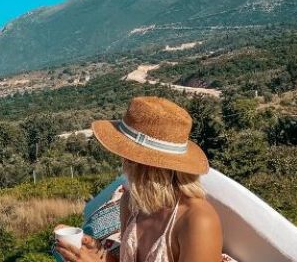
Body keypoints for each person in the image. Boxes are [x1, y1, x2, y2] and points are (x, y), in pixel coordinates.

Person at [55, 96, 230, 262]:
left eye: (124, 154)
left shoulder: (197, 220)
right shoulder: (131, 201)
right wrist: (98, 254)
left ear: (135, 162)